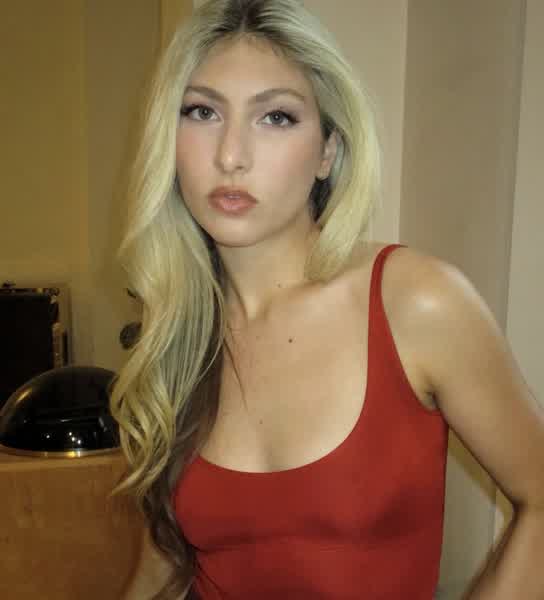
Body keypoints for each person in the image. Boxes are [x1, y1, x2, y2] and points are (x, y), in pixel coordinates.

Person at [111, 1, 544, 598]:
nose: (230, 155)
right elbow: (162, 560)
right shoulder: (176, 332)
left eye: (276, 117)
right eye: (202, 111)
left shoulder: (416, 303)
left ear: (327, 153)